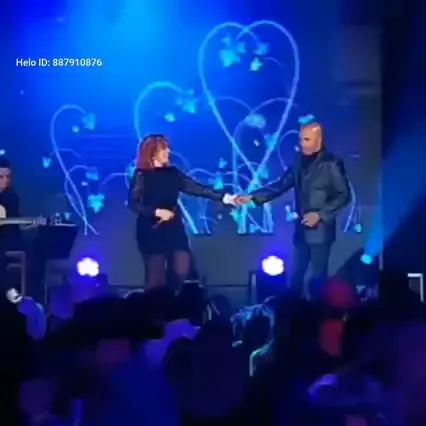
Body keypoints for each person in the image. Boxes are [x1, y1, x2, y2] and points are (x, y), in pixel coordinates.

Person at [234, 122, 350, 298]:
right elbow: (281, 185)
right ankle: (294, 310)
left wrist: (320, 214)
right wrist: (253, 197)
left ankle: (318, 311)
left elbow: (343, 195)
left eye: (307, 139)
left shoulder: (331, 164)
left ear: (318, 140)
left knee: (317, 278)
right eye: (300, 139)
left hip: (321, 232)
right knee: (296, 276)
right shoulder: (298, 162)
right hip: (302, 230)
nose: (302, 143)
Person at [128, 134, 235, 289]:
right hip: (151, 229)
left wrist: (224, 197)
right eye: (163, 148)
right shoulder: (141, 175)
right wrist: (156, 212)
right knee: (156, 276)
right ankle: (154, 302)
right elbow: (134, 203)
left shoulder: (173, 173)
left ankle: (178, 299)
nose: (168, 151)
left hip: (173, 227)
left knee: (182, 267)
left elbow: (197, 188)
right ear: (152, 152)